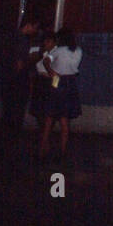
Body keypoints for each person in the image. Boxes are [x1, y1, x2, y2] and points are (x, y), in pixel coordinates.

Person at [0, 13, 43, 174]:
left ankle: (3, 150)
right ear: (29, 25)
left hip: (8, 83)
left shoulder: (10, 38)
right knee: (15, 118)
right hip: (18, 85)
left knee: (7, 116)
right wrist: (32, 60)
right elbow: (19, 65)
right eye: (35, 27)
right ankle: (10, 154)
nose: (35, 31)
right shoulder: (22, 41)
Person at [39, 27, 81, 160]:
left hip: (57, 80)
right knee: (64, 119)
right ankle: (62, 151)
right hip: (71, 82)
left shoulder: (58, 50)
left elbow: (46, 61)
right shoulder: (78, 50)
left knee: (49, 117)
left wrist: (51, 72)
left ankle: (43, 148)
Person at [28, 31, 56, 125]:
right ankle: (41, 130)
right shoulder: (38, 51)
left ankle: (47, 131)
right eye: (45, 41)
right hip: (39, 80)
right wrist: (41, 53)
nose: (46, 43)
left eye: (49, 41)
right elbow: (31, 62)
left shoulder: (56, 52)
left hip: (51, 81)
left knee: (50, 109)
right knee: (38, 108)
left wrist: (55, 85)